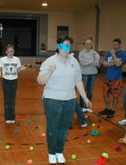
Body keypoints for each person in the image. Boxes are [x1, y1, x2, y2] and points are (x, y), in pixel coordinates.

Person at [37, 36, 91, 164]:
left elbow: (78, 80)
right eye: (65, 45)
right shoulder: (49, 61)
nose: (67, 48)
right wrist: (49, 72)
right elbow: (40, 81)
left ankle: (59, 151)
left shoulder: (74, 62)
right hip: (52, 100)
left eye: (69, 45)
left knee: (64, 128)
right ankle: (51, 152)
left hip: (70, 100)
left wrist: (84, 97)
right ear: (58, 46)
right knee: (52, 128)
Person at [0, 44, 26, 123]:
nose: (11, 52)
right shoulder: (2, 59)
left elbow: (17, 71)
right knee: (7, 100)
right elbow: (0, 68)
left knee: (12, 100)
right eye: (9, 51)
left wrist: (21, 69)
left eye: (12, 51)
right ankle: (7, 117)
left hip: (14, 81)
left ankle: (12, 117)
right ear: (6, 52)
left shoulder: (17, 59)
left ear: (14, 51)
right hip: (5, 81)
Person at [99, 38, 126, 118]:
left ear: (120, 45)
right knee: (105, 94)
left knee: (115, 95)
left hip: (117, 78)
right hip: (108, 77)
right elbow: (104, 63)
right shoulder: (109, 53)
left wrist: (114, 55)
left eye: (116, 44)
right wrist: (115, 62)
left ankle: (113, 110)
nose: (115, 46)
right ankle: (108, 109)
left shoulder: (123, 54)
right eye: (113, 44)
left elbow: (119, 65)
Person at [79, 39, 100, 113]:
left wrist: (87, 62)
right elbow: (82, 63)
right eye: (87, 44)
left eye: (89, 44)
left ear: (91, 45)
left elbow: (97, 63)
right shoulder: (81, 53)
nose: (88, 45)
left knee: (90, 91)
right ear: (84, 44)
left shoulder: (95, 53)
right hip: (84, 74)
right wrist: (92, 61)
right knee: (83, 90)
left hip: (93, 74)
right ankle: (81, 106)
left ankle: (88, 107)